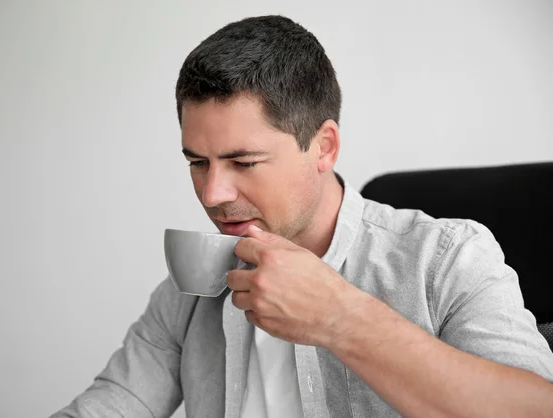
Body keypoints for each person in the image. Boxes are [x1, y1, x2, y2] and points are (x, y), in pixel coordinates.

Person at [51, 15, 553, 418]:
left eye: (244, 162)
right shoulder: (193, 288)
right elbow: (111, 404)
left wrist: (338, 318)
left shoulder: (447, 259)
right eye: (197, 162)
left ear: (324, 147)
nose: (213, 192)